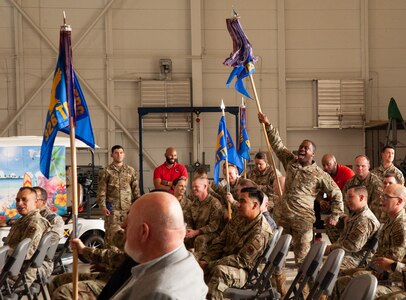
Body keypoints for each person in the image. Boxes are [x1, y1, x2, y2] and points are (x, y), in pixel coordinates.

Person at [258, 112, 343, 265]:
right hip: (282, 218)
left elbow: (336, 193)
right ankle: (280, 287)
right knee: (276, 257)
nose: (302, 150)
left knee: (302, 259)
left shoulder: (319, 174)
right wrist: (268, 125)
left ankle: (304, 289)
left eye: (306, 148)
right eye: (301, 147)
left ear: (313, 153)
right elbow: (277, 145)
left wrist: (335, 215)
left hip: (303, 222)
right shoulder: (290, 162)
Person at [111, 192, 208, 299]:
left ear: (144, 232)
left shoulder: (156, 292)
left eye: (128, 222)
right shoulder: (187, 262)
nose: (123, 226)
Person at [333, 183, 406, 299]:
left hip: (394, 280)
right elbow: (380, 253)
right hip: (381, 272)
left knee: (356, 285)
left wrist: (380, 270)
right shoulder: (390, 220)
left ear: (399, 201)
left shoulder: (401, 225)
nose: (381, 199)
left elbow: (394, 259)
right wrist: (374, 268)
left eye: (386, 197)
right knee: (341, 280)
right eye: (382, 196)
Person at [199, 187, 273, 300]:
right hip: (225, 259)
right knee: (192, 259)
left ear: (255, 205)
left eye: (242, 201)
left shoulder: (260, 232)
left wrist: (209, 265)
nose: (238, 204)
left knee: (219, 271)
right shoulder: (239, 217)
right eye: (238, 200)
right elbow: (221, 240)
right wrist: (206, 259)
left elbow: (241, 260)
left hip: (244, 270)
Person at [50, 225, 126, 300]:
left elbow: (120, 257)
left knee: (64, 292)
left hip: (123, 283)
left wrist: (84, 250)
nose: (124, 224)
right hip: (112, 275)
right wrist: (106, 267)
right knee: (58, 281)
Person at [324, 185, 380, 271]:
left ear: (361, 197)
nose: (347, 201)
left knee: (326, 269)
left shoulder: (364, 219)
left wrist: (331, 248)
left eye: (350, 197)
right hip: (348, 253)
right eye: (346, 197)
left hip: (356, 258)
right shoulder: (356, 213)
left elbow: (353, 246)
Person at [3, 187, 50, 285]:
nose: (19, 203)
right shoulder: (22, 221)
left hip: (19, 274)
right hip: (11, 269)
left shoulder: (35, 223)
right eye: (17, 200)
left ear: (35, 202)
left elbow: (26, 253)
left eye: (24, 200)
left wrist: (3, 253)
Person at [96, 145, 140, 248]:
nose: (119, 155)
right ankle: (109, 260)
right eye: (116, 153)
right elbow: (101, 190)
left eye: (121, 153)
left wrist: (137, 207)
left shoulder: (131, 171)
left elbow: (136, 190)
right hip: (112, 210)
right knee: (111, 237)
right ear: (112, 155)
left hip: (127, 210)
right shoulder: (106, 171)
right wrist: (102, 206)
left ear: (124, 155)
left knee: (128, 236)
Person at [315, 154, 355, 241]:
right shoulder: (324, 174)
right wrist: (321, 201)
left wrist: (333, 204)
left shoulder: (347, 173)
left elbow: (351, 196)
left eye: (328, 164)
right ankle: (318, 234)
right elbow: (317, 193)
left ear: (335, 163)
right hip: (329, 205)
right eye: (323, 165)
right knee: (314, 202)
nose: (325, 167)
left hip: (344, 204)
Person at [184, 176, 223, 259]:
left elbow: (214, 226)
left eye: (196, 187)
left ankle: (201, 262)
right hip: (196, 231)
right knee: (183, 237)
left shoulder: (215, 203)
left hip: (213, 233)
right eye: (193, 186)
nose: (193, 189)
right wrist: (188, 230)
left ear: (205, 186)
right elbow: (189, 220)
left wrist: (196, 232)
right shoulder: (194, 203)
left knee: (200, 239)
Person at [33, 186, 64, 279]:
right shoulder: (28, 217)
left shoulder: (54, 219)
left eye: (34, 199)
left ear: (43, 201)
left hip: (40, 263)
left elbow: (48, 242)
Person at [343, 155, 384, 221]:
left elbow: (376, 206)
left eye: (363, 166)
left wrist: (361, 218)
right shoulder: (350, 182)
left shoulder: (376, 183)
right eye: (357, 166)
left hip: (369, 218)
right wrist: (346, 217)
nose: (360, 168)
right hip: (351, 217)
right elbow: (344, 200)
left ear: (368, 166)